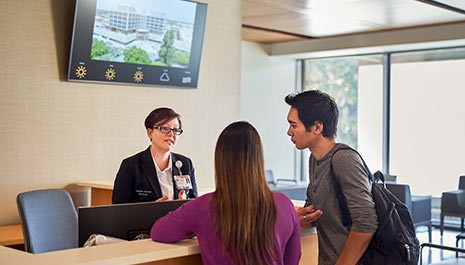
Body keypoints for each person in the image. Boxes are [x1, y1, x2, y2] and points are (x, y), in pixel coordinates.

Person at [151, 121, 301, 265]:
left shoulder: (202, 207)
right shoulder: (285, 205)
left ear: (220, 160)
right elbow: (293, 259)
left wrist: (190, 228)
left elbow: (158, 232)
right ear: (258, 158)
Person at [285, 90, 378, 265]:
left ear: (317, 128)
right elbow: (314, 209)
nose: (289, 132)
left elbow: (366, 222)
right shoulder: (315, 159)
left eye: (294, 125)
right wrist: (296, 218)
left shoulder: (344, 160)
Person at [112, 107, 197, 204]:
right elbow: (119, 209)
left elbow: (195, 205)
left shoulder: (185, 163)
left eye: (176, 130)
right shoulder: (131, 165)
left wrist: (183, 204)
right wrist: (152, 210)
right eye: (165, 128)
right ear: (150, 132)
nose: (171, 134)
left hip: (178, 219)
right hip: (145, 220)